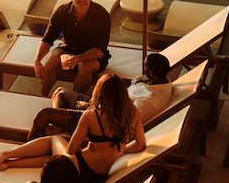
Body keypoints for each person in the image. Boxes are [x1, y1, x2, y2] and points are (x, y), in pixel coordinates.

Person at [0, 72, 146, 183]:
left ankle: (5, 155)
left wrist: (84, 144)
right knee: (55, 156)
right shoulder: (133, 114)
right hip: (97, 178)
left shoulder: (91, 115)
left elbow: (72, 149)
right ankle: (6, 164)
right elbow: (140, 145)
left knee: (55, 140)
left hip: (76, 172)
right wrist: (121, 151)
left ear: (100, 93)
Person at [26, 51, 172, 139]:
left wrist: (91, 109)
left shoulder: (147, 103)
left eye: (145, 68)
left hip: (98, 121)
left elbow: (119, 123)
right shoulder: (159, 82)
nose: (143, 70)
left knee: (44, 114)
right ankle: (61, 127)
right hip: (100, 104)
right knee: (60, 92)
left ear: (152, 73)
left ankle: (32, 144)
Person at [34, 0, 111, 97]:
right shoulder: (62, 12)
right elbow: (47, 39)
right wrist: (37, 61)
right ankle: (42, 96)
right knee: (50, 61)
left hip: (93, 55)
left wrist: (77, 59)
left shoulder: (101, 15)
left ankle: (74, 100)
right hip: (70, 48)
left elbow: (100, 50)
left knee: (84, 67)